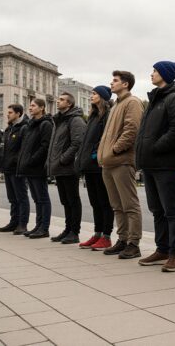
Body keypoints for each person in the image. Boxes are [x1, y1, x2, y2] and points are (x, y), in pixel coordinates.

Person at [136, 61, 175, 272]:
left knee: (171, 210)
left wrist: (156, 148)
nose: (152, 74)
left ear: (165, 74)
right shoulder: (154, 100)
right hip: (150, 164)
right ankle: (162, 249)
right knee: (157, 209)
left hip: (166, 164)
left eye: (156, 71)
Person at [98, 71, 144, 259]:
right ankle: (122, 239)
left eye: (115, 81)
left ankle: (134, 243)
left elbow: (132, 129)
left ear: (125, 84)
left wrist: (115, 150)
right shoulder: (116, 104)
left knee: (129, 205)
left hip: (122, 161)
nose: (112, 83)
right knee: (116, 205)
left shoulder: (132, 102)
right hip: (108, 163)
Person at [76, 86, 114, 251]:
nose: (92, 96)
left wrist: (95, 155)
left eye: (95, 94)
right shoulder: (92, 116)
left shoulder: (107, 115)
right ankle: (97, 233)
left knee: (104, 201)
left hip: (99, 164)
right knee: (95, 202)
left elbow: (105, 138)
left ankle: (106, 236)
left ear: (103, 97)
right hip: (89, 166)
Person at [47, 92, 86, 244]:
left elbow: (77, 143)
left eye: (62, 100)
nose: (58, 101)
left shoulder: (75, 120)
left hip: (68, 167)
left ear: (69, 104)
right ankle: (68, 229)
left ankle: (74, 232)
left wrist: (63, 160)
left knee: (73, 200)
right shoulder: (59, 120)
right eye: (59, 99)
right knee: (65, 200)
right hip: (59, 167)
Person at [17, 99, 53, 239]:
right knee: (37, 199)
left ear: (42, 108)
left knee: (42, 198)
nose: (30, 108)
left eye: (33, 106)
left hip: (37, 167)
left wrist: (32, 160)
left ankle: (44, 228)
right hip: (30, 167)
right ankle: (38, 226)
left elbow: (45, 146)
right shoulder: (31, 125)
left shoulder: (45, 124)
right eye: (30, 106)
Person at [0, 104, 30, 234]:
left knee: (21, 197)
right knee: (12, 198)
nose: (8, 114)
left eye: (10, 112)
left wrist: (17, 162)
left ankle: (22, 224)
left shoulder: (24, 127)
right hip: (8, 168)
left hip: (17, 168)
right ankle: (14, 222)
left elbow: (24, 149)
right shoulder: (9, 129)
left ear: (18, 113)